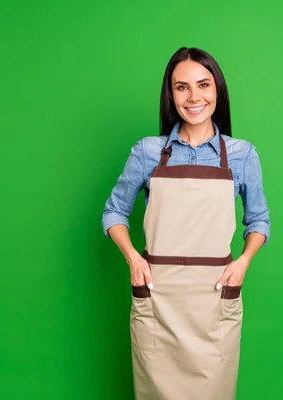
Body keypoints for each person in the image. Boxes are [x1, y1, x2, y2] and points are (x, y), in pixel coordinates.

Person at [101, 47, 271, 400]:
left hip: (214, 297)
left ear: (217, 91)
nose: (194, 97)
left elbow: (259, 221)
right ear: (171, 95)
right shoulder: (148, 152)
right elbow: (114, 212)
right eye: (182, 87)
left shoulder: (242, 155)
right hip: (159, 296)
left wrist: (243, 263)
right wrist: (133, 258)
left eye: (203, 85)